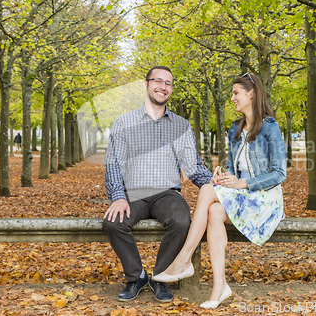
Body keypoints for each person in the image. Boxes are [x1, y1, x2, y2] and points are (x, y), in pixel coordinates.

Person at [153, 72, 286, 309]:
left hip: (264, 199)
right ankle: (219, 286)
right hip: (241, 196)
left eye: (236, 93)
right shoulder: (235, 129)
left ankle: (184, 259)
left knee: (206, 191)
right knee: (213, 210)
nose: (232, 98)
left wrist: (242, 184)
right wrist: (224, 177)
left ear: (251, 94)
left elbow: (279, 174)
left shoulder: (269, 128)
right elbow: (236, 171)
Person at [103, 66, 213, 303]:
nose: (163, 87)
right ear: (146, 85)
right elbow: (113, 163)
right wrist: (118, 196)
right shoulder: (124, 122)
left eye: (168, 83)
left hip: (167, 194)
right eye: (158, 81)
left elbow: (193, 167)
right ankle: (137, 277)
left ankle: (160, 278)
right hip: (133, 193)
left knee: (181, 221)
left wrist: (218, 185)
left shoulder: (181, 125)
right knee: (113, 222)